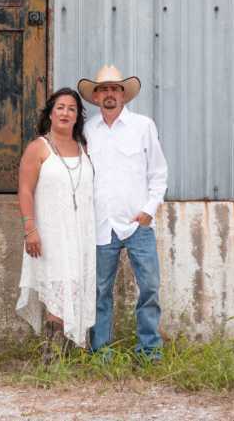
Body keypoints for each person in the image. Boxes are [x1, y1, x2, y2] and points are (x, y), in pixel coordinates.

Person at [78, 64, 168, 360]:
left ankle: (149, 351)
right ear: (95, 96)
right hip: (101, 225)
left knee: (150, 287)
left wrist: (148, 210)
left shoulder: (143, 126)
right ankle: (101, 352)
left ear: (123, 95)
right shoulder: (88, 131)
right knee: (100, 291)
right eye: (103, 89)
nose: (109, 94)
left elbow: (158, 173)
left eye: (114, 89)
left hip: (137, 224)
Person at [16, 87, 96, 356]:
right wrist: (30, 229)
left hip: (79, 233)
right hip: (49, 234)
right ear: (50, 113)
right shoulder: (38, 147)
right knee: (56, 287)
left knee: (74, 285)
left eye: (71, 109)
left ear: (77, 116)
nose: (65, 112)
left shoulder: (83, 146)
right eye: (60, 107)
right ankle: (51, 356)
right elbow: (25, 190)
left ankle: (70, 353)